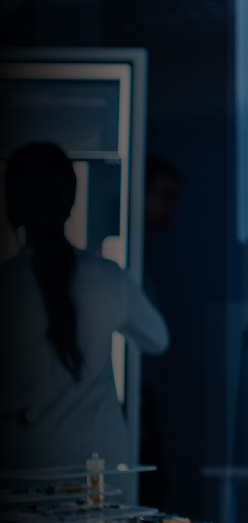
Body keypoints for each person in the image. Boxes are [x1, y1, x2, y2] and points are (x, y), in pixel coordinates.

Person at [0, 143, 169, 486]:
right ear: (70, 203)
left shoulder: (8, 284)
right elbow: (157, 339)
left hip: (25, 470)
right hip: (101, 473)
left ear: (12, 205)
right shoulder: (107, 277)